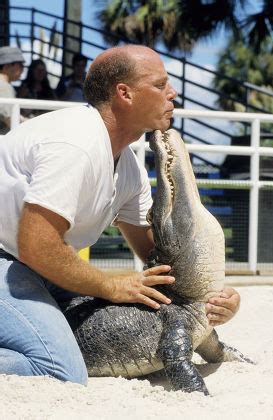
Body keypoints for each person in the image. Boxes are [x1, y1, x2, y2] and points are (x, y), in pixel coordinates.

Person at [0, 45, 240, 386]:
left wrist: (215, 298)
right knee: (60, 367)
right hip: (11, 261)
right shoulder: (76, 142)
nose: (172, 94)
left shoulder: (128, 166)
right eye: (159, 85)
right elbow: (35, 246)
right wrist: (109, 285)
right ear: (124, 93)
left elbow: (159, 256)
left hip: (29, 267)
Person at [0, 46, 25, 134]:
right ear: (7, 66)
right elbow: (12, 120)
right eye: (21, 65)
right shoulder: (3, 86)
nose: (23, 69)